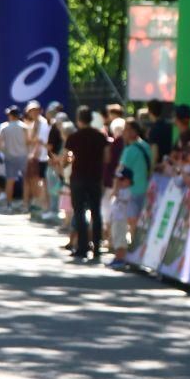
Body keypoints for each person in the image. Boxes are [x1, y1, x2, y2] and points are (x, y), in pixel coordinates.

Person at [65, 106, 108, 262]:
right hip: (95, 177)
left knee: (79, 212)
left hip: (78, 177)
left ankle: (82, 247)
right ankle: (97, 246)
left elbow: (66, 157)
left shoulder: (74, 137)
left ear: (78, 120)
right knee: (96, 212)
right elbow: (107, 158)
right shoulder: (100, 137)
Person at [119, 119, 153, 232]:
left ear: (134, 131)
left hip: (132, 190)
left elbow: (121, 171)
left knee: (133, 222)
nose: (124, 132)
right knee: (141, 222)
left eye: (126, 129)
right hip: (147, 188)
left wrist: (116, 189)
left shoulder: (130, 150)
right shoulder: (146, 146)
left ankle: (133, 241)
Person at [0, 106, 28, 212]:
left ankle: (9, 205)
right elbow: (28, 141)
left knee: (10, 181)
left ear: (11, 115)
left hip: (10, 157)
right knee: (26, 181)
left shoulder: (4, 127)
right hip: (23, 156)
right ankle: (25, 205)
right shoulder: (24, 127)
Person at [23, 100, 51, 216]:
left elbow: (40, 142)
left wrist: (34, 155)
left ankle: (45, 207)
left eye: (35, 110)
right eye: (31, 111)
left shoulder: (43, 124)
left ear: (40, 111)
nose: (33, 113)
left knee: (42, 183)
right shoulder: (33, 124)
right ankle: (38, 204)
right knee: (33, 181)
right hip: (36, 158)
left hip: (42, 157)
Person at [108, 167, 134, 270]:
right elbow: (112, 197)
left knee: (120, 240)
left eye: (121, 179)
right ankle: (117, 257)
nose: (119, 182)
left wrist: (116, 187)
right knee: (115, 238)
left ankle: (120, 258)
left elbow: (116, 194)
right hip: (116, 219)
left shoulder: (127, 192)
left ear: (128, 181)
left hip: (121, 219)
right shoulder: (121, 190)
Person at [146, 99, 173, 166]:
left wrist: (152, 168)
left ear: (149, 111)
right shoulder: (168, 126)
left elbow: (154, 152)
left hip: (158, 166)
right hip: (168, 164)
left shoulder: (154, 129)